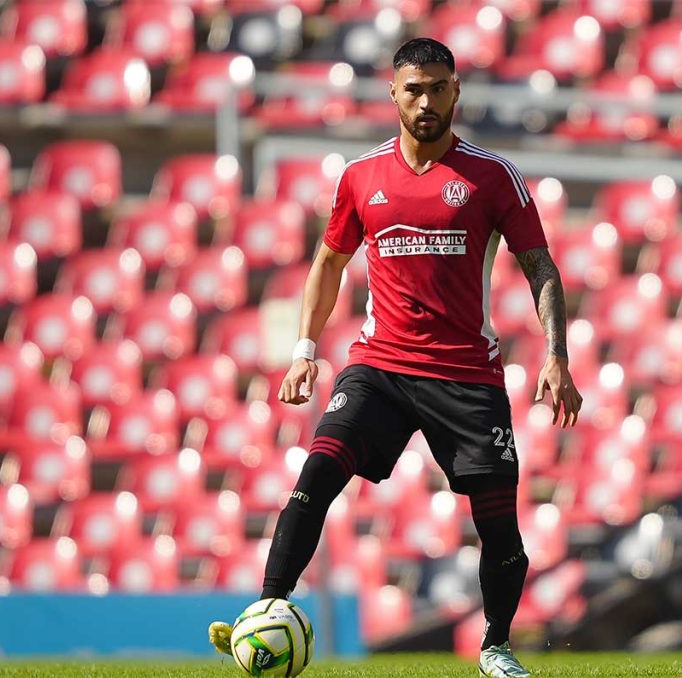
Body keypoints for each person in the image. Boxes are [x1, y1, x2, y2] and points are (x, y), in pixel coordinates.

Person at [210, 37, 582, 678]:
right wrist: (305, 350)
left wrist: (556, 355)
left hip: (467, 373)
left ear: (456, 91)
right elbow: (328, 262)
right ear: (393, 94)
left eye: (439, 87)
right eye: (415, 88)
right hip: (379, 366)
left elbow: (540, 267)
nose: (427, 100)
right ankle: (268, 609)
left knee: (497, 523)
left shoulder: (493, 177)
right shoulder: (362, 177)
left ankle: (495, 646)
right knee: (316, 475)